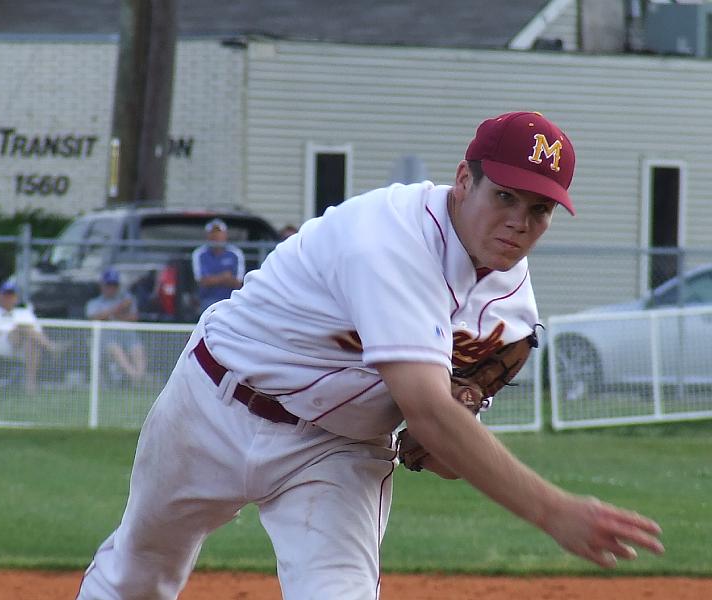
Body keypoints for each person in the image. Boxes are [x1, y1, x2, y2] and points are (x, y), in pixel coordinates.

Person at [77, 112, 664, 600]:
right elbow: (431, 412)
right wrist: (552, 509)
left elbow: (445, 450)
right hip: (216, 403)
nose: (519, 222)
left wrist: (440, 439)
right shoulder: (389, 237)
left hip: (335, 449)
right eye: (505, 195)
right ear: (465, 179)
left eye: (539, 209)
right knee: (137, 575)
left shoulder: (509, 313)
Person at [0, 280, 61, 393]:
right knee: (21, 328)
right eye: (5, 295)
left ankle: (30, 385)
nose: (8, 298)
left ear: (16, 297)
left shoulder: (25, 313)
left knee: (31, 342)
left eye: (11, 295)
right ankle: (52, 347)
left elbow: (37, 333)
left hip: (24, 346)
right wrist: (2, 331)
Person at [85, 268, 147, 383]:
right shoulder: (95, 303)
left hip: (126, 335)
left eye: (114, 285)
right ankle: (135, 377)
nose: (112, 288)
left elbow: (134, 318)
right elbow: (94, 317)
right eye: (109, 285)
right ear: (102, 286)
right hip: (105, 340)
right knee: (115, 348)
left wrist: (112, 316)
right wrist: (118, 309)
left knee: (137, 346)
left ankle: (140, 377)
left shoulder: (126, 299)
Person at [191, 218, 245, 315]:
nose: (215, 236)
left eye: (219, 233)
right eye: (212, 233)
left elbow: (238, 283)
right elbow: (202, 282)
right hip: (207, 301)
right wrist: (224, 277)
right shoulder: (199, 253)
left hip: (230, 301)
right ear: (207, 236)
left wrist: (214, 279)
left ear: (225, 235)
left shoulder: (235, 253)